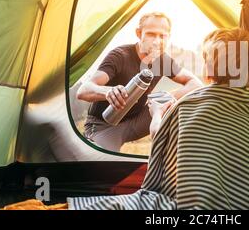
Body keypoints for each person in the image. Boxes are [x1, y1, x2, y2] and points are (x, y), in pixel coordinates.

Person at [68, 27, 249, 210]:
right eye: (152, 33)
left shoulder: (188, 105)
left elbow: (159, 136)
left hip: (194, 198)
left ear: (209, 68)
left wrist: (160, 112)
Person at [76, 12, 203, 151]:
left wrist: (167, 98)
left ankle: (180, 156)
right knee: (103, 163)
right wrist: (107, 92)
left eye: (162, 36)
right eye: (151, 34)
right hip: (103, 124)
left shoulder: (163, 61)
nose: (157, 41)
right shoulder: (120, 55)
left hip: (135, 122)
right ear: (139, 33)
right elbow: (83, 91)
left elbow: (195, 83)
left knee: (172, 105)